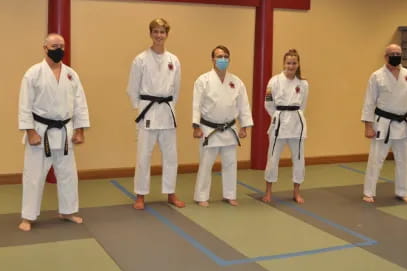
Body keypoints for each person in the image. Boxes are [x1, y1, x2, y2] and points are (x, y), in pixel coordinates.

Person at [18, 33, 90, 232]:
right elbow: (25, 106)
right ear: (45, 48)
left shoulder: (71, 74)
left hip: (65, 131)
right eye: (54, 45)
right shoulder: (33, 73)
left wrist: (80, 129)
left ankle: (67, 211)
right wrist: (30, 131)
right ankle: (28, 216)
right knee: (34, 175)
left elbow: (80, 104)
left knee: (68, 174)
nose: (59, 49)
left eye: (62, 45)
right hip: (40, 132)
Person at [127, 18, 185, 210]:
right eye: (156, 31)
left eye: (162, 32)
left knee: (171, 156)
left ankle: (171, 192)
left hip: (167, 112)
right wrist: (141, 108)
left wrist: (169, 105)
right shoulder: (140, 59)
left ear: (167, 34)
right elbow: (132, 88)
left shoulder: (173, 60)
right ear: (150, 33)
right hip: (148, 111)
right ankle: (140, 195)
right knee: (143, 156)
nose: (159, 35)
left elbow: (176, 88)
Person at [361, 44, 407, 203]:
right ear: (385, 57)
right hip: (383, 123)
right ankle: (369, 192)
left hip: (404, 123)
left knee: (404, 160)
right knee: (376, 159)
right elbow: (369, 102)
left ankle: (402, 191)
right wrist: (368, 126)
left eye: (398, 53)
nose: (396, 55)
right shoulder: (377, 76)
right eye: (392, 53)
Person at [192, 45, 253, 207]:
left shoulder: (236, 82)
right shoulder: (203, 80)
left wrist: (244, 126)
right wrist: (196, 126)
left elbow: (243, 105)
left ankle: (230, 194)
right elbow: (196, 105)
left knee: (230, 164)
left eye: (226, 56)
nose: (223, 59)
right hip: (209, 129)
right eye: (219, 56)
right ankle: (201, 196)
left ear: (229, 59)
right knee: (206, 164)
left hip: (229, 129)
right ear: (212, 59)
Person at [262, 49, 308, 204]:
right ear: (284, 63)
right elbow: (268, 103)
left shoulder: (303, 83)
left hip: (297, 124)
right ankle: (268, 191)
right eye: (288, 63)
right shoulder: (274, 81)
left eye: (294, 63)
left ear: (298, 64)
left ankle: (296, 191)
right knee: (273, 158)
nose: (291, 66)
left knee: (299, 159)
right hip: (279, 122)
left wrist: (294, 116)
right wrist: (277, 116)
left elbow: (303, 104)